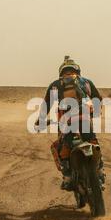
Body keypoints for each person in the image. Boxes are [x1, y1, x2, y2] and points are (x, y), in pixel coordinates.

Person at [35, 56, 105, 191]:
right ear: (77, 70)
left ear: (61, 71)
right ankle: (100, 170)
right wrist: (95, 112)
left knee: (64, 146)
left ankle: (67, 177)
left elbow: (47, 104)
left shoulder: (56, 83)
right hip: (85, 118)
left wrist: (41, 120)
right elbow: (98, 99)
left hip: (66, 121)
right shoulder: (86, 82)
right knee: (92, 140)